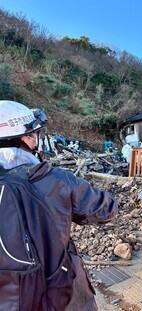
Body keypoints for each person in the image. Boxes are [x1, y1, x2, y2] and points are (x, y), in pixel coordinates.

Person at [0, 100, 118, 310]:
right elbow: (105, 208)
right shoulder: (56, 181)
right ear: (25, 138)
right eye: (34, 134)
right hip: (60, 295)